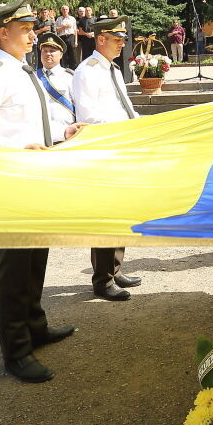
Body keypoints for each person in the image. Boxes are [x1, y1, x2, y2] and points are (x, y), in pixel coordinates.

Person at [0, 0, 83, 384]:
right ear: (3, 34)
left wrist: (62, 133)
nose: (33, 34)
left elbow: (28, 124)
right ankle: (15, 350)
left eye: (32, 28)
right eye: (25, 29)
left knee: (34, 256)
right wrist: (18, 150)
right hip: (8, 180)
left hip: (31, 174)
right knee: (12, 267)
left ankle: (35, 326)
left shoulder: (23, 71)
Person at [72, 16, 143, 299]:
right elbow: (87, 116)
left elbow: (122, 107)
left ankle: (114, 268)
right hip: (104, 149)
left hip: (120, 145)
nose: (122, 44)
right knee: (105, 214)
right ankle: (102, 279)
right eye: (117, 39)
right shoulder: (87, 71)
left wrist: (140, 121)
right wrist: (127, 125)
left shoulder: (112, 69)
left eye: (123, 39)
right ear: (100, 39)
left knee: (121, 210)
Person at [55, 5, 79, 69]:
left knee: (72, 54)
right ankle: (64, 68)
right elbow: (56, 29)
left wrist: (76, 41)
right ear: (61, 11)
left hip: (71, 37)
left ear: (68, 10)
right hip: (62, 37)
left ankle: (73, 68)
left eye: (66, 9)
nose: (65, 10)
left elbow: (75, 30)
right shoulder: (58, 19)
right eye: (63, 9)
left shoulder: (72, 18)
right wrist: (64, 27)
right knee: (63, 54)